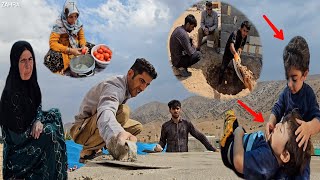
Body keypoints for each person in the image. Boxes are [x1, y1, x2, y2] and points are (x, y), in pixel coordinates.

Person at [0, 41, 67, 179]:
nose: (28, 66)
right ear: (15, 64)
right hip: (18, 158)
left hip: (31, 142)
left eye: (30, 60)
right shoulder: (10, 95)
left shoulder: (32, 86)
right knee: (49, 133)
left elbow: (38, 107)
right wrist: (38, 126)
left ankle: (56, 174)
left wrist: (38, 120)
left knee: (55, 113)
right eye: (22, 61)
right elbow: (16, 139)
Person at [70, 58, 158, 163]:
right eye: (141, 81)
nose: (143, 88)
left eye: (147, 84)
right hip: (80, 130)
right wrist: (117, 133)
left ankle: (102, 147)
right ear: (130, 73)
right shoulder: (115, 87)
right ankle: (88, 150)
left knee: (137, 127)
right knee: (123, 112)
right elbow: (106, 111)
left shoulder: (126, 89)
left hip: (92, 127)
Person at [265, 36, 320, 179]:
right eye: (287, 78)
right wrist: (271, 121)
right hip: (284, 152)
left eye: (294, 79)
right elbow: (277, 109)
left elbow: (318, 118)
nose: (290, 84)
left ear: (305, 74)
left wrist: (309, 127)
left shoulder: (308, 94)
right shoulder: (286, 93)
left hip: (301, 154)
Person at [220, 110, 311, 179]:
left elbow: (239, 162)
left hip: (230, 147)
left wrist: (238, 134)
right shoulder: (272, 152)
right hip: (245, 142)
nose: (277, 125)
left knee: (234, 126)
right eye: (281, 123)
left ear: (284, 155)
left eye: (281, 130)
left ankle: (231, 128)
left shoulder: (267, 160)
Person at [44, 0, 94, 74]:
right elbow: (53, 43)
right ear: (65, 15)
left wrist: (83, 46)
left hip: (75, 45)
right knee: (52, 59)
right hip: (63, 47)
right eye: (71, 17)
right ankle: (67, 63)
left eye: (75, 16)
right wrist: (70, 50)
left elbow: (81, 37)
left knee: (92, 48)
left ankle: (75, 59)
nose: (74, 20)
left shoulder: (78, 23)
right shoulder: (59, 25)